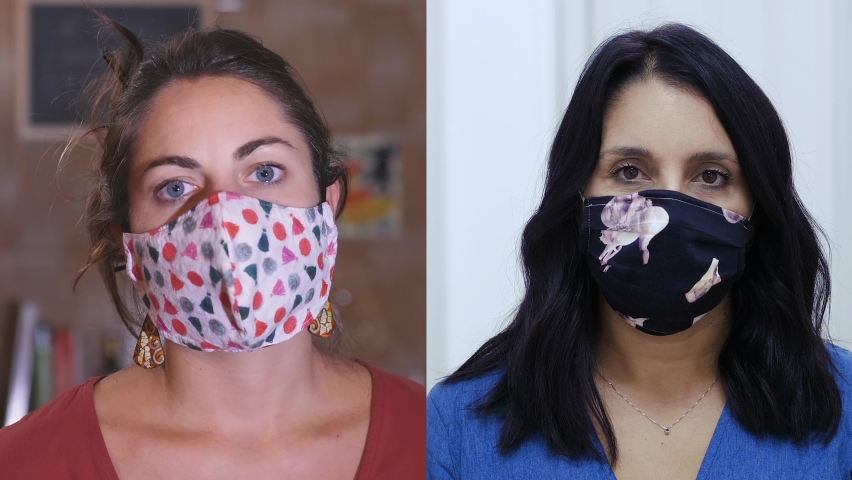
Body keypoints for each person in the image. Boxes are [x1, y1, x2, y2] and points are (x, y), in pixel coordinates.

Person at [0, 17, 424, 479]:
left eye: (264, 172)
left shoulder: (444, 441)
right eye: (176, 186)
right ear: (133, 249)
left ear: (327, 208)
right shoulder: (25, 462)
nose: (225, 221)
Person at [427, 23, 852, 479]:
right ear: (576, 202)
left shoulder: (843, 408)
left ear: (756, 214)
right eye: (629, 171)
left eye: (711, 176)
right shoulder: (456, 427)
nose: (664, 206)